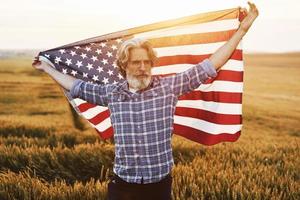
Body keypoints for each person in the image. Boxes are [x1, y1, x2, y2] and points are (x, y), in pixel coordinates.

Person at [32, 2, 258, 200]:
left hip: (158, 187)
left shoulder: (169, 88)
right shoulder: (112, 93)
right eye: (135, 63)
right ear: (124, 66)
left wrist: (242, 31)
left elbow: (211, 65)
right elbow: (76, 86)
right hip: (123, 186)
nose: (142, 68)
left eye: (146, 62)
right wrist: (47, 68)